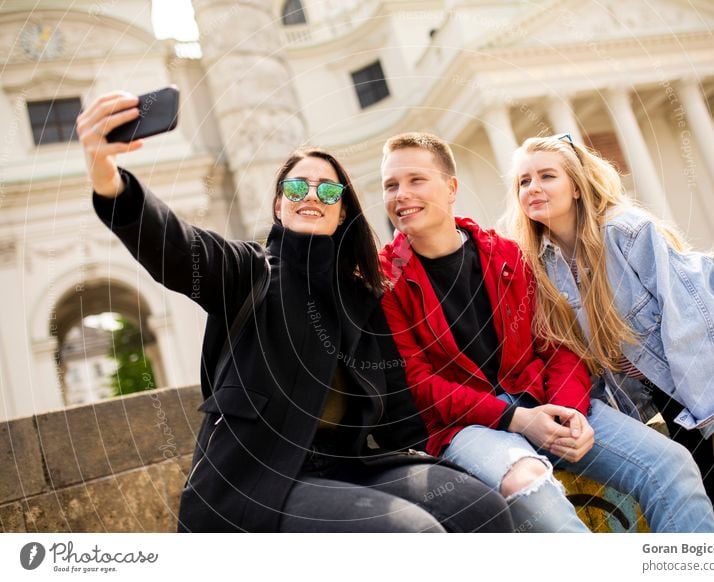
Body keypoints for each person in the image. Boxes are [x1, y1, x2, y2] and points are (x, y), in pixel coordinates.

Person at [76, 91, 513, 533]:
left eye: (327, 189)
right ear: (279, 206)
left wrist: (473, 445)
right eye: (296, 187)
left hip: (352, 466)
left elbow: (400, 411)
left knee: (482, 507)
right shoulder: (248, 271)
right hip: (258, 479)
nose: (311, 195)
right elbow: (174, 243)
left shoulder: (363, 297)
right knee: (411, 534)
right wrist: (108, 176)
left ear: (342, 211)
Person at [379, 132, 714, 533]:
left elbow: (558, 345)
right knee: (533, 488)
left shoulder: (507, 255)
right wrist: (517, 419)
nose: (401, 194)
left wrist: (569, 409)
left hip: (548, 403)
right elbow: (420, 383)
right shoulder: (386, 279)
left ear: (451, 188)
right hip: (468, 427)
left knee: (671, 465)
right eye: (390, 185)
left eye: (415, 180)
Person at [505, 133, 714, 532]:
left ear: (576, 186)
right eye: (524, 181)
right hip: (677, 402)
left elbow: (695, 324)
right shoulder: (547, 265)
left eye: (546, 176)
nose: (533, 188)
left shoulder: (625, 232)